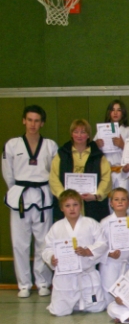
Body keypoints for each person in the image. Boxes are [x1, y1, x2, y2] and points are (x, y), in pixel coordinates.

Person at [2, 105, 58, 297]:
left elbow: (54, 173)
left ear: (42, 123)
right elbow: (8, 173)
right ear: (23, 121)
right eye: (30, 120)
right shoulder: (12, 145)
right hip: (20, 197)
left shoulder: (50, 145)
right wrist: (16, 190)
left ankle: (43, 282)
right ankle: (24, 284)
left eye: (37, 121)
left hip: (43, 196)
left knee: (43, 242)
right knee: (20, 243)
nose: (33, 124)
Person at [42, 190, 108, 316]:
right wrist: (51, 258)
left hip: (86, 273)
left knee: (97, 308)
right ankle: (72, 303)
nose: (72, 209)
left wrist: (88, 251)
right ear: (61, 208)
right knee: (59, 312)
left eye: (75, 205)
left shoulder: (91, 223)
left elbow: (103, 243)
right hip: (65, 277)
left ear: (81, 206)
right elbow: (47, 248)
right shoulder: (56, 227)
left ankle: (79, 302)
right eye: (67, 205)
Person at [49, 118, 112, 222]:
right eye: (76, 132)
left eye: (83, 132)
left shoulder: (97, 155)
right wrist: (63, 195)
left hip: (92, 205)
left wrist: (96, 195)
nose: (79, 135)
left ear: (88, 135)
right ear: (71, 134)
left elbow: (106, 178)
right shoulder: (62, 154)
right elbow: (53, 177)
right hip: (68, 204)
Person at [94, 100, 129, 216]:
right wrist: (96, 146)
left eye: (119, 110)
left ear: (123, 113)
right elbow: (92, 155)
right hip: (107, 174)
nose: (115, 113)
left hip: (123, 173)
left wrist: (123, 145)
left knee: (125, 204)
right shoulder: (101, 131)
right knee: (110, 205)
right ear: (109, 112)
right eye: (113, 110)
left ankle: (128, 224)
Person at [99, 188, 129, 303]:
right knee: (109, 299)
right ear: (111, 203)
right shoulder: (104, 222)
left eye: (123, 199)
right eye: (116, 199)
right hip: (110, 265)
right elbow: (100, 244)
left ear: (128, 203)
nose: (120, 202)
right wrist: (109, 253)